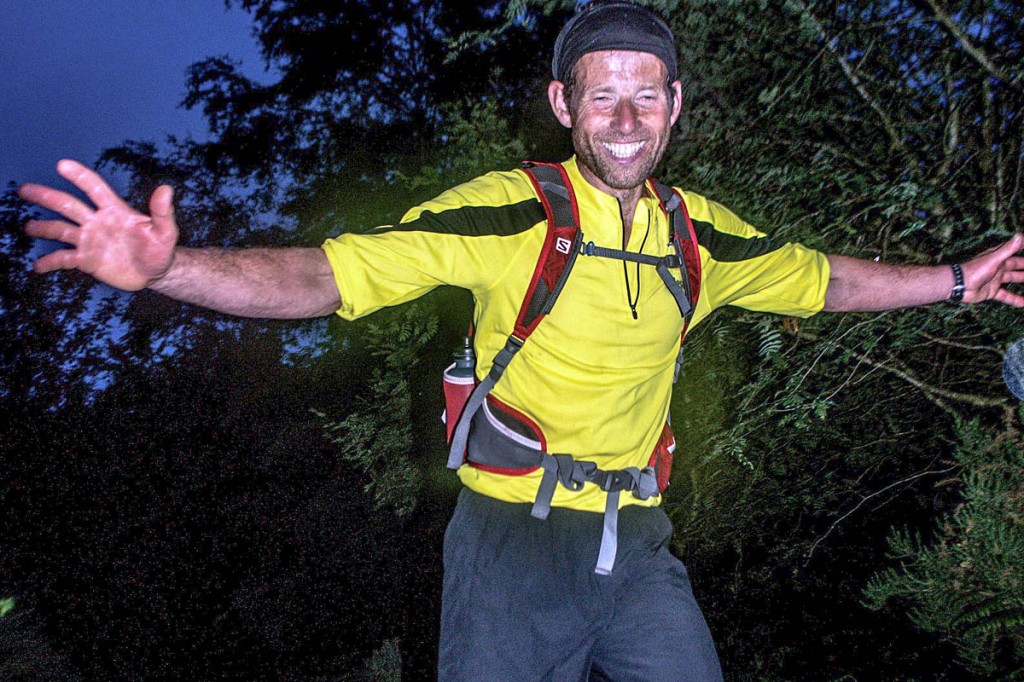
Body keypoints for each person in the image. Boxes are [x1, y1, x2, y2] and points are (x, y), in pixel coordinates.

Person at [18, 2, 1024, 679]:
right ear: (564, 106)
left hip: (638, 549)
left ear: (674, 104)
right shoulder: (512, 214)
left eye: (646, 94)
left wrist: (955, 280)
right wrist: (172, 269)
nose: (624, 117)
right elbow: (325, 273)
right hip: (508, 544)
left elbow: (820, 278)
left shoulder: (701, 234)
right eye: (601, 93)